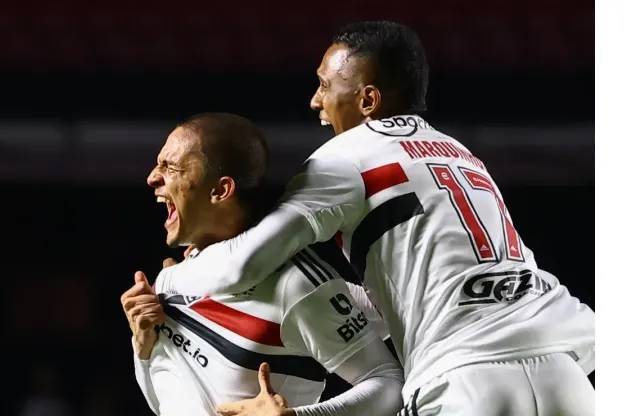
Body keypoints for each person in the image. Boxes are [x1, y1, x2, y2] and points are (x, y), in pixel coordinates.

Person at [152, 21, 596, 415]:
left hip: (465, 379)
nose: (315, 101)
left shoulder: (343, 158)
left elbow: (242, 264)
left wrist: (166, 285)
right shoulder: (462, 154)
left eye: (325, 86)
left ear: (367, 99)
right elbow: (423, 287)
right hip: (568, 374)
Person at [121, 112, 405, 416]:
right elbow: (165, 403)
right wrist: (144, 349)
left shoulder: (296, 284)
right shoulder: (169, 280)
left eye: (171, 166)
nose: (152, 176)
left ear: (220, 190)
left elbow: (388, 384)